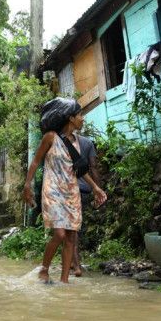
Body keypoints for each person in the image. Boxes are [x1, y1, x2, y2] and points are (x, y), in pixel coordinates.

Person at [23, 98, 107, 283]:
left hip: (71, 192)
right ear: (70, 118)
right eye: (80, 115)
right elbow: (36, 161)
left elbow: (80, 171)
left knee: (71, 237)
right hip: (52, 190)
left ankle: (64, 281)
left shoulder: (78, 142)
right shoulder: (50, 137)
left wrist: (95, 188)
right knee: (60, 234)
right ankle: (44, 268)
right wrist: (27, 185)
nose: (82, 119)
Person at [71, 132, 100, 277]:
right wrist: (98, 189)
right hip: (84, 191)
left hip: (68, 190)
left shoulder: (62, 143)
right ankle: (75, 263)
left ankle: (75, 263)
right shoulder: (88, 143)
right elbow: (93, 166)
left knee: (71, 228)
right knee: (77, 228)